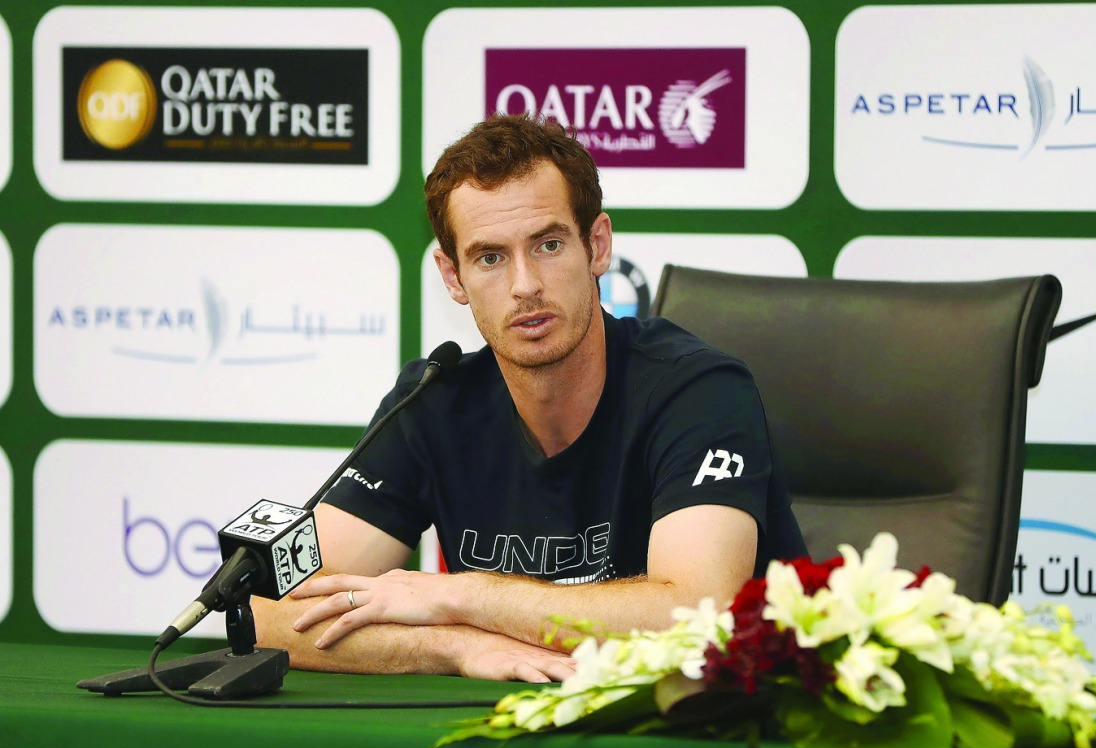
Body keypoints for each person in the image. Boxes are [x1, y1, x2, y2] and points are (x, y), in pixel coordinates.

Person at [252, 114, 806, 682]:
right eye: (490, 257)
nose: (524, 285)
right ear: (453, 276)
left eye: (547, 245)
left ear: (597, 246)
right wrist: (457, 648)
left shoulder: (700, 391)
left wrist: (462, 597)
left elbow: (697, 615)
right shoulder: (432, 404)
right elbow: (265, 614)